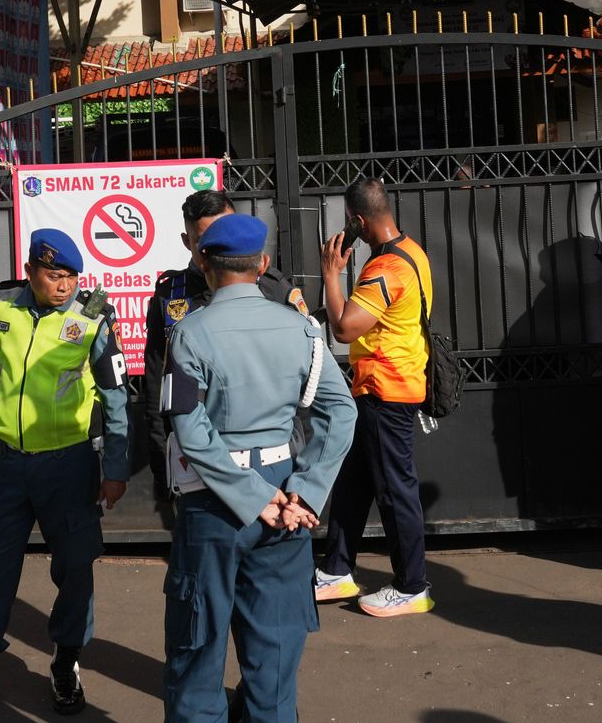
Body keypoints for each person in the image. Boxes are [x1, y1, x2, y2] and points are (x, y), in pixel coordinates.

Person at [161, 214, 358, 723]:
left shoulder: (188, 333)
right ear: (263, 264)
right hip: (286, 498)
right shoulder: (303, 330)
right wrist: (307, 492)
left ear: (204, 262)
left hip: (211, 501)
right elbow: (341, 412)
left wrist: (250, 496)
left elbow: (189, 428)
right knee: (273, 657)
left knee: (197, 651)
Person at [0, 229, 130, 720]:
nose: (64, 286)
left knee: (74, 569)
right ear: (32, 271)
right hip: (9, 464)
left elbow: (116, 394)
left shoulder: (93, 316)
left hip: (69, 464)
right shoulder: (4, 304)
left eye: (71, 277)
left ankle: (66, 663)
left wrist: (117, 467)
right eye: (54, 276)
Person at [143, 190, 309, 517]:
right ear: (186, 240)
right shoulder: (169, 295)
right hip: (197, 466)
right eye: (204, 239)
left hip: (271, 459)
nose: (215, 248)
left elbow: (307, 380)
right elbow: (155, 383)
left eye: (224, 232)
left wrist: (302, 468)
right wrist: (161, 457)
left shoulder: (272, 289)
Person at [313, 177, 436, 617]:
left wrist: (331, 274)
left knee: (394, 490)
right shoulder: (412, 252)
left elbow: (346, 328)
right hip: (378, 387)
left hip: (387, 390)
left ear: (358, 221)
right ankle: (336, 570)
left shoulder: (385, 269)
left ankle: (411, 586)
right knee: (354, 482)